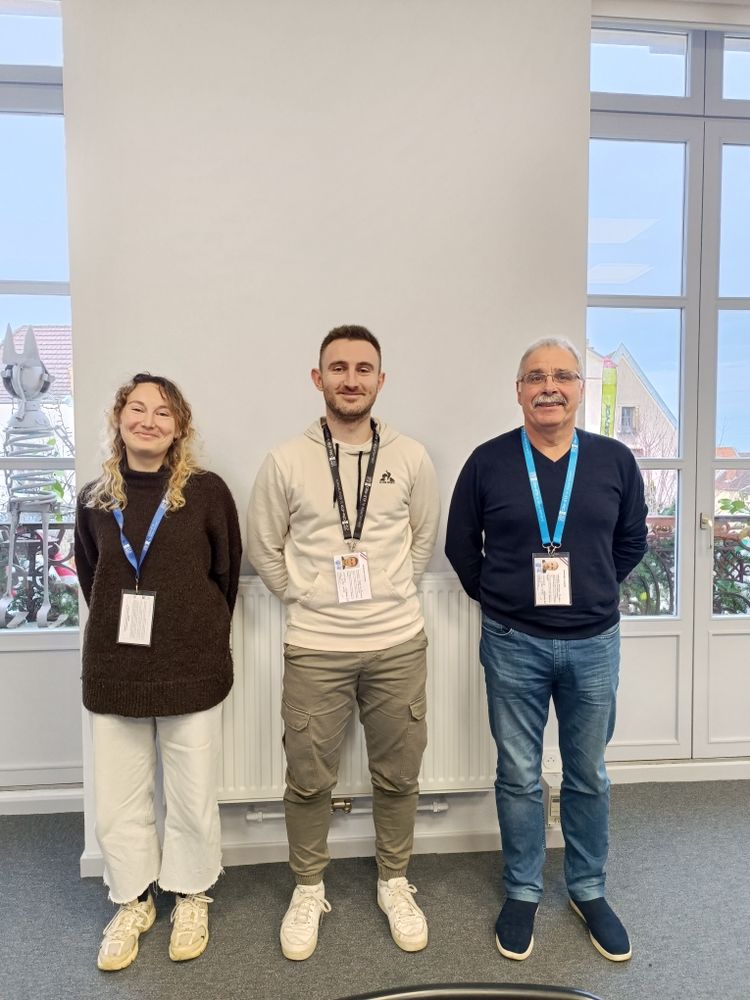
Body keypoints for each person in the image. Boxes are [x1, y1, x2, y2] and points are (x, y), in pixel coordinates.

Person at [445, 337, 647, 964]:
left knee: (588, 774)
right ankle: (523, 889)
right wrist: (502, 599)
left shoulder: (614, 460)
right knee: (519, 774)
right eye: (536, 377)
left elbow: (632, 540)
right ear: (519, 391)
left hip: (594, 642)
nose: (549, 387)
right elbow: (460, 545)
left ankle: (588, 888)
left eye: (562, 376)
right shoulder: (488, 461)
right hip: (513, 643)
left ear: (580, 388)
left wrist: (594, 587)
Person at [246, 325, 440, 960]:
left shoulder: (410, 456)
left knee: (399, 774)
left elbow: (423, 537)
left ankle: (394, 881)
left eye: (363, 369)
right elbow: (263, 545)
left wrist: (395, 588)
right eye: (338, 368)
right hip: (315, 648)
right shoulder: (285, 460)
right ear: (317, 378)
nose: (350, 379)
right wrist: (301, 594)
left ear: (381, 380)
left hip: (398, 644)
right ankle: (308, 888)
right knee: (308, 778)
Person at [75, 373, 242, 971]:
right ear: (119, 419)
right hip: (115, 667)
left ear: (179, 428)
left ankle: (191, 894)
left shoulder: (206, 492)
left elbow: (226, 574)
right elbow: (92, 574)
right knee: (119, 800)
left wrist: (195, 631)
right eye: (137, 409)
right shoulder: (95, 498)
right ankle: (133, 900)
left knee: (192, 795)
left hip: (190, 665)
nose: (149, 420)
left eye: (163, 413)